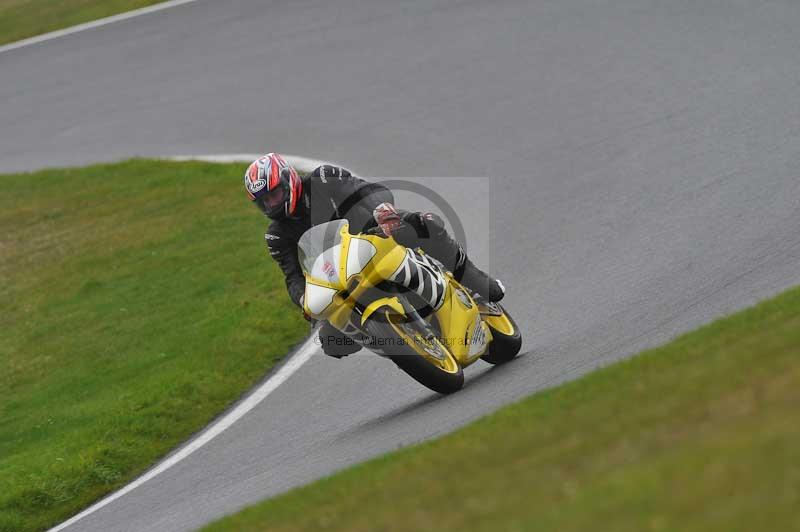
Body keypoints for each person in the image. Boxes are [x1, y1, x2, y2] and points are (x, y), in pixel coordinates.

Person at [244, 153, 504, 357]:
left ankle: (473, 278)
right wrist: (303, 299)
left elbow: (366, 191)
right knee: (330, 342)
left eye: (274, 195)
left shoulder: (323, 178)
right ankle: (396, 341)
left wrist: (380, 211)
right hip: (342, 276)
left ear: (288, 180)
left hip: (376, 232)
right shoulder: (276, 235)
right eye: (264, 202)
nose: (271, 204)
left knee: (425, 225)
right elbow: (292, 275)